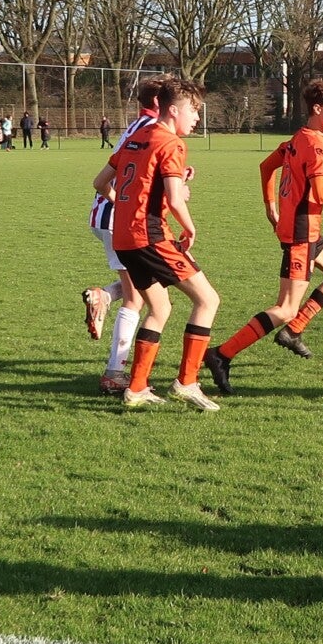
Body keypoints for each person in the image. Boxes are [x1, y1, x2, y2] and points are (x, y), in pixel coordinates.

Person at [205, 79, 323, 394]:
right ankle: (221, 354)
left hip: (304, 228)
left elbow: (265, 167)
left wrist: (270, 207)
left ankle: (293, 331)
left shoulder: (297, 139)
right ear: (317, 108)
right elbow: (322, 193)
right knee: (285, 307)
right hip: (301, 232)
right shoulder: (316, 146)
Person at [94, 77, 221, 411]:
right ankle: (187, 383)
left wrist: (125, 209)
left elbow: (101, 182)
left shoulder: (135, 137)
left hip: (124, 238)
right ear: (174, 110)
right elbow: (176, 200)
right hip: (150, 236)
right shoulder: (171, 143)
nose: (197, 118)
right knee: (207, 300)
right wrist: (190, 228)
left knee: (160, 308)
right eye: (194, 110)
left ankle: (136, 388)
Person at [83, 76, 168, 395]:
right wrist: (126, 205)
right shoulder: (150, 129)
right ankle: (114, 372)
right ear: (160, 102)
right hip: (120, 221)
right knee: (138, 298)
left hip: (111, 218)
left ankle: (105, 296)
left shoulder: (139, 126)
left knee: (150, 282)